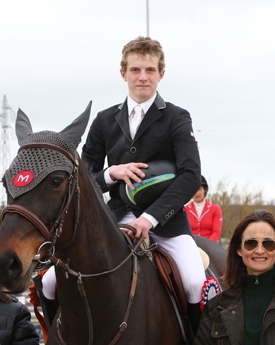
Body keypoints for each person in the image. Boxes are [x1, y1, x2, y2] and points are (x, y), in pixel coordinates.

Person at [80, 36, 205, 332]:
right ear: (123, 73)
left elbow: (191, 176)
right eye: (135, 70)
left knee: (194, 282)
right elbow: (84, 176)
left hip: (166, 222)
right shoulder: (103, 120)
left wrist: (151, 218)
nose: (143, 77)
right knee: (49, 281)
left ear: (161, 74)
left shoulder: (177, 117)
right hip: (116, 217)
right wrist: (112, 173)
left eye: (150, 70)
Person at [195, 209, 275, 345]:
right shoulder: (215, 308)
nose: (259, 250)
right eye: (251, 243)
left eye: (268, 244)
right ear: (239, 249)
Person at [185, 175, 223, 242]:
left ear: (204, 190)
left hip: (210, 245)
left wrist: (207, 245)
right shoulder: (185, 210)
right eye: (194, 190)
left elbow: (216, 232)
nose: (197, 193)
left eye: (199, 189)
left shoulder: (215, 209)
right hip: (191, 244)